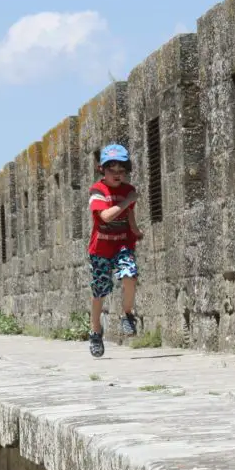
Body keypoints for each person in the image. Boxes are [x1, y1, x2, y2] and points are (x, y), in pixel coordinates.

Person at [87, 143, 144, 357]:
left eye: (122, 170)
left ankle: (127, 315)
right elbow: (105, 216)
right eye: (112, 170)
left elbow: (128, 212)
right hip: (101, 248)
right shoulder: (97, 191)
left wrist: (135, 230)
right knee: (100, 290)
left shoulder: (128, 190)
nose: (118, 174)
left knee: (130, 274)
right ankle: (95, 331)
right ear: (102, 170)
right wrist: (127, 201)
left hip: (122, 244)